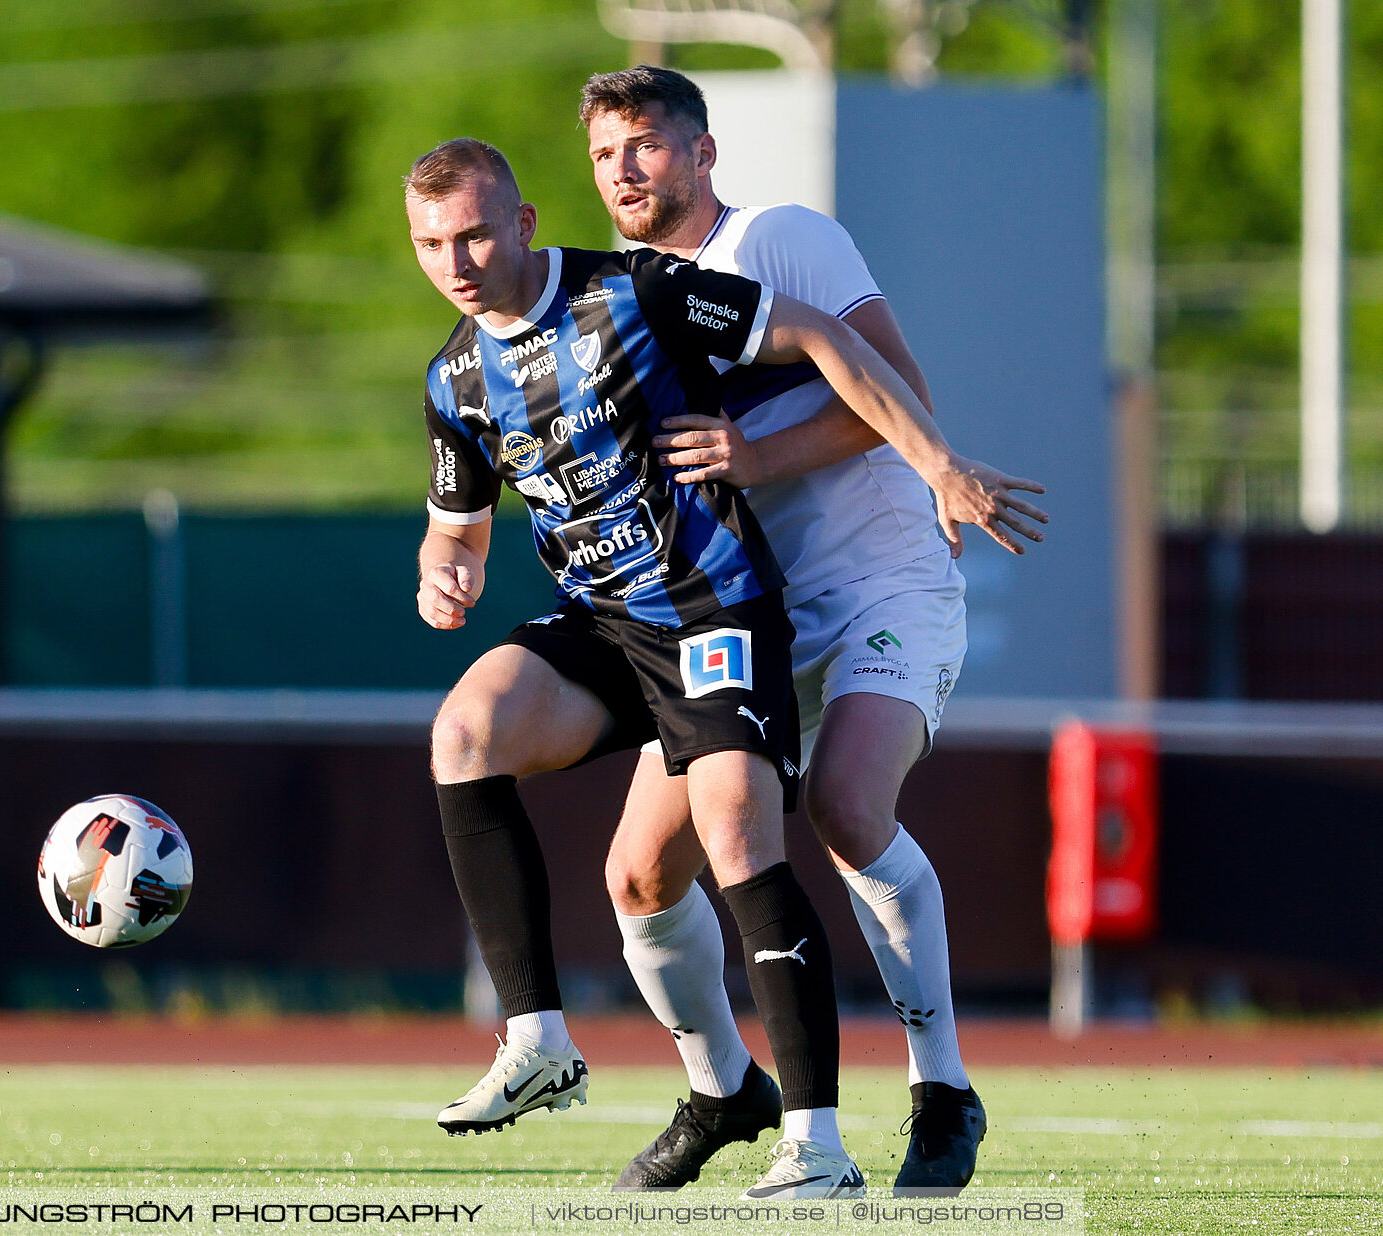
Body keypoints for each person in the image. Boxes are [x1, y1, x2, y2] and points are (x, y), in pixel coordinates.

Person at [405, 136, 1035, 1200]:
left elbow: (831, 339)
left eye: (473, 232)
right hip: (606, 624)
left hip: (717, 608)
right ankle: (558, 1043)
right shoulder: (455, 374)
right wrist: (441, 572)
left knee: (769, 825)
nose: (456, 260)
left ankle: (835, 1139)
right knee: (490, 753)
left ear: (523, 222)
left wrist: (939, 465)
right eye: (431, 243)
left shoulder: (655, 283)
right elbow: (456, 531)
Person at [577, 66, 1047, 1197]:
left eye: (644, 144)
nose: (625, 170)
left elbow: (895, 381)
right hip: (745, 614)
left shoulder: (779, 239)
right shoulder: (619, 300)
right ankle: (722, 1089)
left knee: (844, 805)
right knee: (639, 874)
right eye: (604, 154)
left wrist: (842, 463)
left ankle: (941, 1090)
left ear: (702, 153)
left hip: (884, 583)